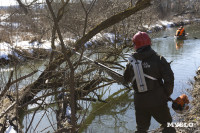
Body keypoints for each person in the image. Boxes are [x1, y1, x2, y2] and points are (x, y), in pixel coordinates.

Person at [123, 31, 176, 133]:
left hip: (140, 102)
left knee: (141, 129)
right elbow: (169, 79)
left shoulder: (131, 62)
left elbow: (126, 79)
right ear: (150, 43)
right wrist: (166, 94)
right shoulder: (159, 59)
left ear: (135, 45)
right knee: (167, 125)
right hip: (158, 100)